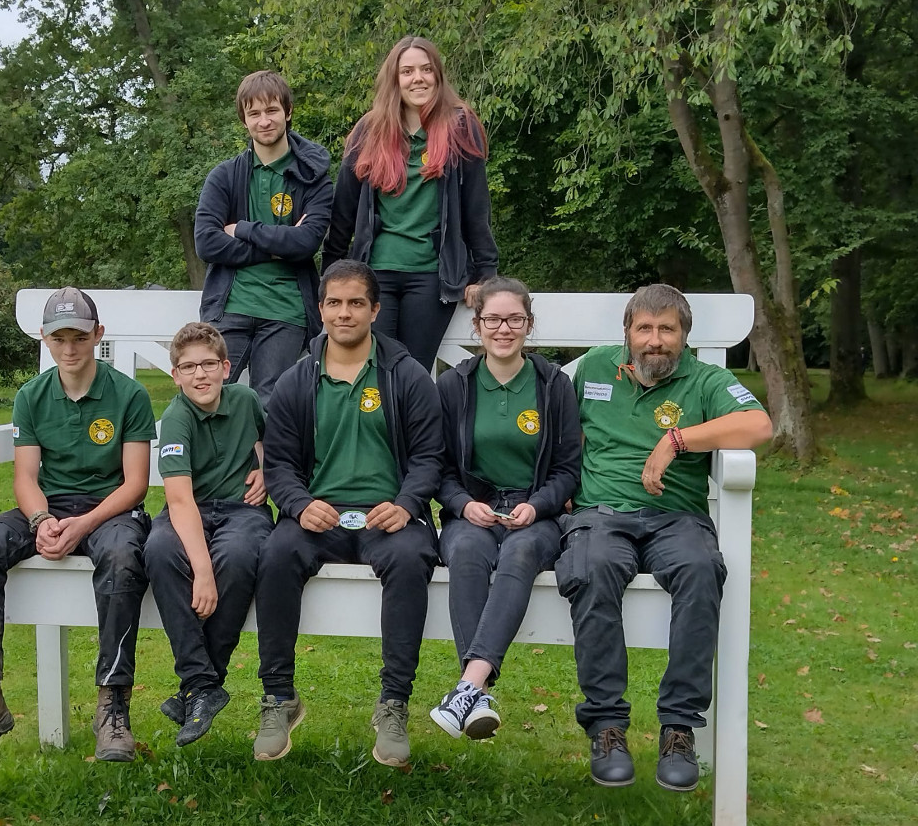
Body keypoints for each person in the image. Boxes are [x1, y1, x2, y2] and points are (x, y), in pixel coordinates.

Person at [556, 284, 772, 791]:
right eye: (645, 329)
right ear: (627, 333)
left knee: (701, 571)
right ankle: (607, 726)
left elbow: (760, 425)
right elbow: (555, 427)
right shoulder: (592, 369)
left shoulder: (705, 380)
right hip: (601, 515)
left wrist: (678, 439)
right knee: (591, 567)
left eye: (667, 330)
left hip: (677, 518)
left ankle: (679, 729)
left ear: (685, 336)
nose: (656, 341)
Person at [0, 288, 156, 763]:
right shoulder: (31, 397)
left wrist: (82, 525)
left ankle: (112, 704)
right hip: (48, 506)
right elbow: (24, 477)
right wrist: (42, 521)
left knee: (122, 558)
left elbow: (136, 484)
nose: (70, 348)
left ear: (98, 335)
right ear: (45, 339)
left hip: (110, 509)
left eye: (79, 336)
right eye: (59, 338)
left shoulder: (130, 395)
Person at [252, 259, 442, 767]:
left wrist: (406, 505)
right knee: (275, 552)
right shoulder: (297, 380)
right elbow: (281, 464)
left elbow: (429, 457)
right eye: (334, 303)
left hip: (388, 518)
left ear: (375, 310)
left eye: (356, 302)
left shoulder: (406, 376)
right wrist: (298, 504)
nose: (344, 313)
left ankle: (394, 703)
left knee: (408, 560)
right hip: (321, 518)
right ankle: (278, 698)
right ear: (319, 310)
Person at [429, 278, 581, 739]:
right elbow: (435, 467)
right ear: (477, 326)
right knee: (469, 554)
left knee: (519, 555)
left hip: (534, 514)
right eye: (492, 319)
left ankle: (467, 688)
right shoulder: (454, 385)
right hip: (470, 510)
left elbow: (568, 468)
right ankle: (475, 696)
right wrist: (462, 504)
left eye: (515, 319)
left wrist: (537, 507)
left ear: (528, 325)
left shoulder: (553, 386)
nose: (503, 328)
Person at [321, 36, 498, 373]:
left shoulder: (460, 126)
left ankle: (415, 429)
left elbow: (476, 207)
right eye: (407, 71)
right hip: (374, 273)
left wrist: (484, 273)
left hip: (432, 276)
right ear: (395, 79)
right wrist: (332, 274)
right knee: (373, 369)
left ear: (438, 75)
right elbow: (343, 212)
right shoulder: (368, 132)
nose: (418, 78)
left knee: (413, 372)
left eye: (426, 69)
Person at [144, 322, 274, 747]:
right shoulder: (176, 419)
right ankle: (203, 684)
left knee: (239, 555)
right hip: (190, 508)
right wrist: (201, 572)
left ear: (226, 367)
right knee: (161, 548)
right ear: (176, 375)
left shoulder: (247, 400)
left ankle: (198, 687)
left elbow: (275, 441)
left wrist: (267, 471)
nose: (199, 375)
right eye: (188, 367)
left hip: (242, 510)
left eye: (207, 365)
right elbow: (181, 503)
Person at [194, 70, 335, 405]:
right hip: (230, 305)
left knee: (269, 403)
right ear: (244, 120)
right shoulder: (225, 176)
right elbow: (206, 243)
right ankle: (225, 462)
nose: (264, 121)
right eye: (254, 113)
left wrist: (243, 229)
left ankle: (267, 462)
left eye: (271, 111)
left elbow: (306, 243)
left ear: (287, 112)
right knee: (213, 397)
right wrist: (275, 248)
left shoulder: (313, 177)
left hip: (287, 311)